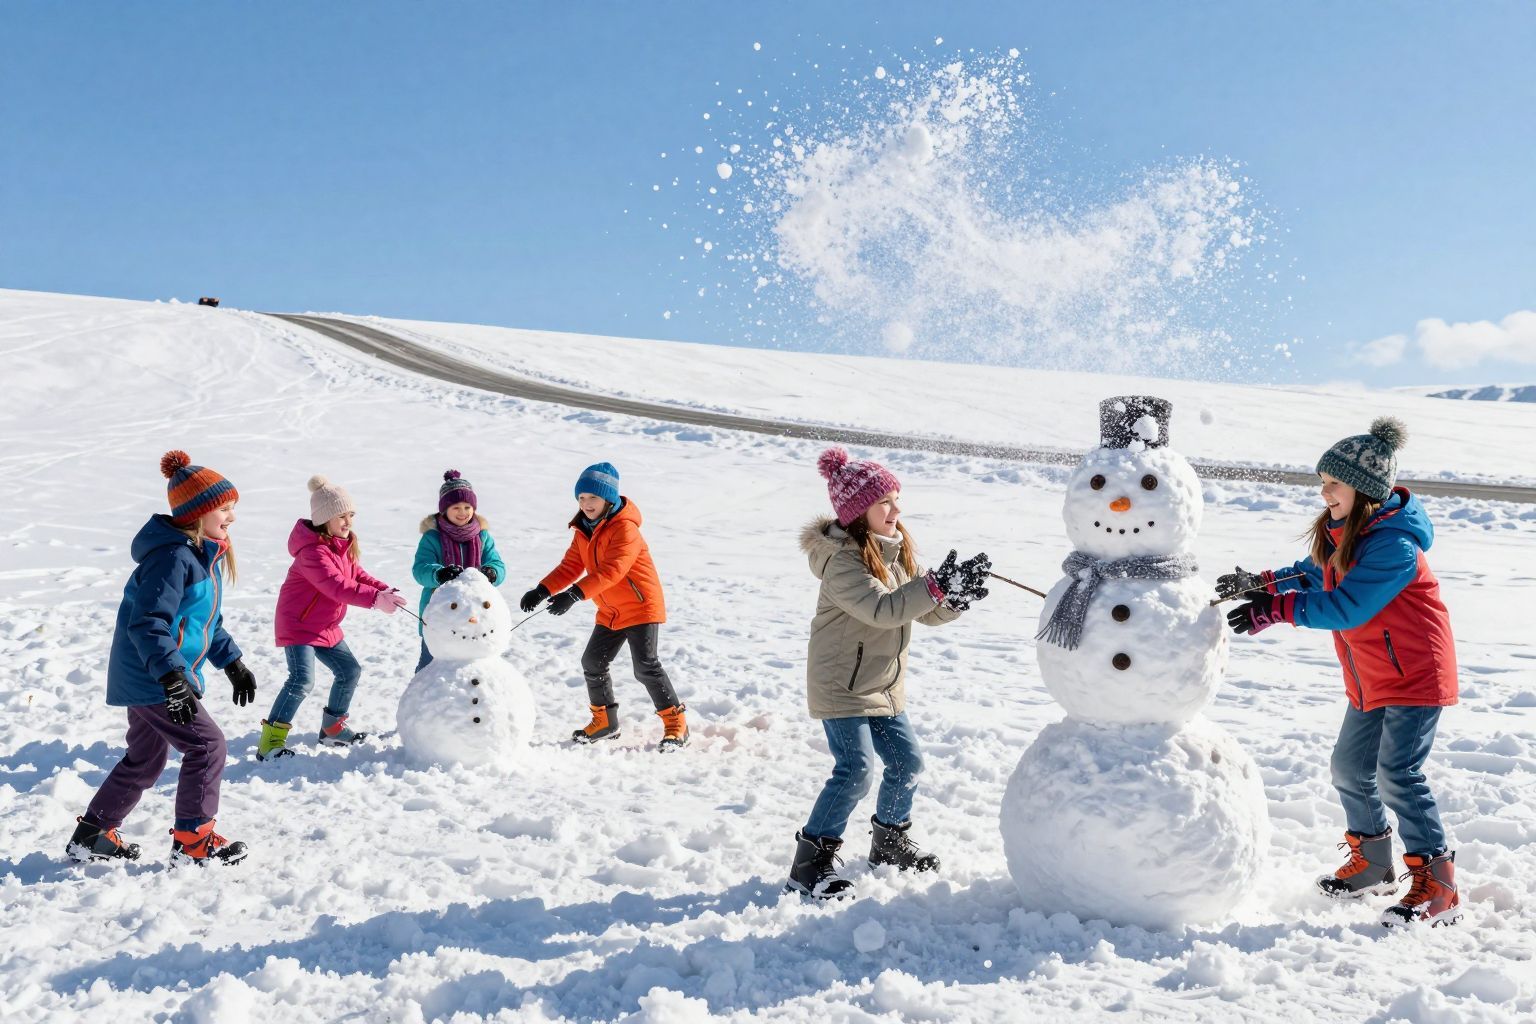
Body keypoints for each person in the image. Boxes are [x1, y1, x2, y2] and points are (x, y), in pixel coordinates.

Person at [1220, 417, 1461, 927]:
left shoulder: (1394, 547)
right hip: (1372, 676)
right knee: (1350, 769)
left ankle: (1437, 885)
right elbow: (1315, 571)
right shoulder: (1347, 534)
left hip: (1416, 677)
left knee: (1398, 775)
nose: (1324, 490)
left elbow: (1347, 606)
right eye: (1324, 481)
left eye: (1334, 482)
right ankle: (1374, 864)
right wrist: (1261, 582)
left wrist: (1278, 609)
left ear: (1364, 491)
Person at [785, 447, 991, 900]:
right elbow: (884, 610)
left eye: (897, 499)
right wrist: (933, 587)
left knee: (905, 763)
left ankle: (889, 845)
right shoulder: (841, 562)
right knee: (855, 770)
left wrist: (952, 599)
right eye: (886, 503)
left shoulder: (894, 552)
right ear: (859, 513)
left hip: (882, 683)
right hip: (842, 684)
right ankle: (809, 865)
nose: (897, 510)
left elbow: (919, 612)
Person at [66, 451, 253, 866]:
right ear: (198, 512)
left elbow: (203, 624)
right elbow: (148, 623)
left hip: (153, 673)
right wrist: (171, 677)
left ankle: (93, 834)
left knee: (147, 758)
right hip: (153, 675)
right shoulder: (172, 559)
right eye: (225, 508)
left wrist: (232, 663)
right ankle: (192, 841)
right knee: (208, 746)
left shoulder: (200, 558)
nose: (232, 517)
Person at [520, 462, 687, 751]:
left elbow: (613, 570)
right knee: (593, 663)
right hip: (610, 610)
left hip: (640, 605)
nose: (586, 504)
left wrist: (573, 596)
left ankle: (676, 725)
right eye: (581, 498)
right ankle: (605, 723)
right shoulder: (583, 529)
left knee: (646, 667)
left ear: (608, 498)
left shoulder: (625, 529)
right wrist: (543, 589)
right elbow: (571, 565)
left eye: (592, 498)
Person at [259, 474, 406, 759]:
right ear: (323, 518)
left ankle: (333, 729)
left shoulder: (343, 545)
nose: (348, 521)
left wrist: (383, 589)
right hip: (299, 624)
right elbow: (336, 586)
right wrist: (375, 600)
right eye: (341, 516)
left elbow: (356, 575)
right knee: (301, 680)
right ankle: (270, 743)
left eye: (351, 514)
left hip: (325, 626)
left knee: (349, 671)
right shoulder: (312, 553)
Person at [411, 469, 506, 671]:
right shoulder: (432, 537)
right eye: (456, 507)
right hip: (439, 614)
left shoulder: (483, 537)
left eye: (467, 506)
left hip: (476, 614)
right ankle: (420, 700)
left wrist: (491, 572)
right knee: (429, 666)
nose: (462, 512)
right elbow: (420, 569)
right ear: (444, 510)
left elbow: (498, 564)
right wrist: (439, 574)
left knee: (475, 665)